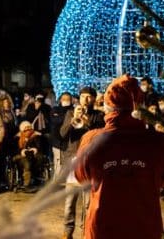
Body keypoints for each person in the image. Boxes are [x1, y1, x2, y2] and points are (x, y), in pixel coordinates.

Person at [75, 75, 164, 239]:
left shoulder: (91, 139)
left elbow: (82, 177)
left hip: (103, 224)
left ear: (107, 105)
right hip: (144, 224)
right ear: (138, 104)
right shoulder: (160, 142)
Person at [60, 86, 104, 239]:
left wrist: (87, 124)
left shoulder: (99, 116)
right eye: (82, 96)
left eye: (88, 96)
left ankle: (86, 231)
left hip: (90, 161)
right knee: (69, 201)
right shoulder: (70, 113)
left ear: (93, 98)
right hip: (74, 159)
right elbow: (63, 134)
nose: (85, 99)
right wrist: (73, 121)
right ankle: (67, 232)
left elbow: (99, 136)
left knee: (88, 202)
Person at [13, 121, 45, 192]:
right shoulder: (17, 137)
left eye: (29, 128)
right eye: (26, 129)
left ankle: (36, 177)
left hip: (33, 154)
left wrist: (35, 148)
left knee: (39, 158)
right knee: (26, 163)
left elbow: (40, 146)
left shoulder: (36, 136)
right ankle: (26, 184)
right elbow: (14, 149)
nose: (28, 130)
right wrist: (21, 151)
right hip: (21, 156)